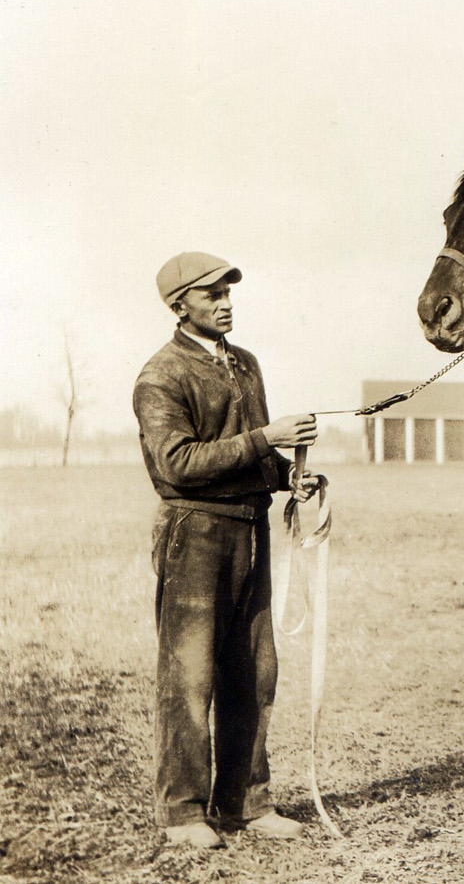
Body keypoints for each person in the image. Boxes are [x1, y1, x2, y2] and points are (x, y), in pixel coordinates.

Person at [133, 251, 322, 848]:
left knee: (255, 671)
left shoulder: (246, 365)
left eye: (228, 292)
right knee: (189, 677)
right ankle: (183, 815)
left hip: (250, 529)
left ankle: (246, 803)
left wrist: (288, 477)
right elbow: (177, 463)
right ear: (178, 305)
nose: (225, 302)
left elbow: (255, 458)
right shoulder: (160, 375)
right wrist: (266, 439)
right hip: (194, 533)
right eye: (210, 294)